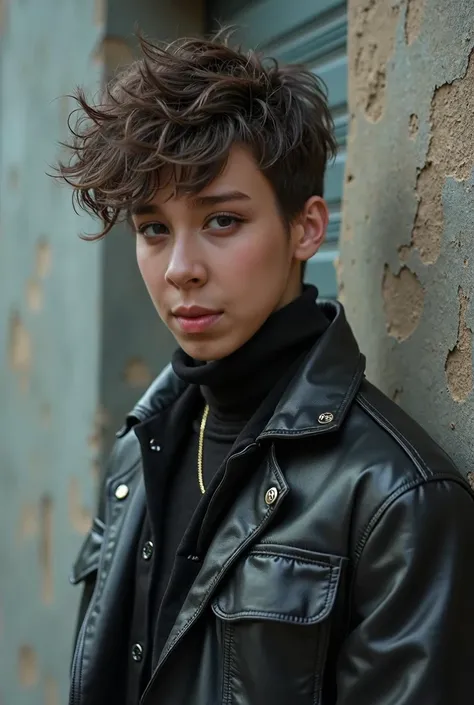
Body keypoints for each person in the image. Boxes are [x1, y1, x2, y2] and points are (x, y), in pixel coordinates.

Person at [58, 31, 474, 705]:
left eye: (221, 220)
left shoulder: (398, 500)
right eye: (154, 228)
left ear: (307, 228)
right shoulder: (138, 456)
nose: (179, 268)